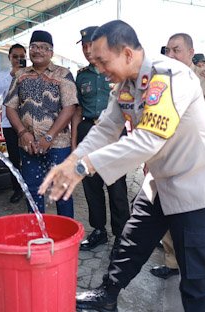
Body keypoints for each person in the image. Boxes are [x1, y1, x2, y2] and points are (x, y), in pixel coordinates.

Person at [38, 20, 205, 312]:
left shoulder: (167, 76)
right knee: (131, 241)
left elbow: (148, 140)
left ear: (127, 54)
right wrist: (72, 161)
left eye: (102, 61)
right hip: (162, 179)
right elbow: (105, 129)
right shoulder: (126, 84)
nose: (100, 69)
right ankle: (108, 295)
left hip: (195, 183)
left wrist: (83, 168)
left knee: (196, 277)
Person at [148, 33, 205, 281]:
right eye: (168, 51)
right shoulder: (160, 81)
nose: (171, 56)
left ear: (191, 52)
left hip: (198, 162)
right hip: (168, 159)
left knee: (196, 222)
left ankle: (196, 270)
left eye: (177, 50)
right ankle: (172, 262)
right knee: (168, 211)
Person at [4, 30, 77, 218]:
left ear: (51, 53)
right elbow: (10, 108)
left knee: (61, 192)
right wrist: (22, 132)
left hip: (58, 144)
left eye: (44, 48)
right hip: (28, 145)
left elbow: (69, 109)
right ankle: (36, 233)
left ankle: (66, 237)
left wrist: (48, 137)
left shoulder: (63, 74)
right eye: (34, 47)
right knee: (32, 190)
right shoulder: (20, 75)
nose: (38, 51)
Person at [71, 26, 130, 251]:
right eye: (84, 46)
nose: (87, 50)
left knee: (116, 187)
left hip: (113, 132)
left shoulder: (117, 70)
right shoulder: (82, 75)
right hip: (88, 130)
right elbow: (77, 111)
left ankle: (121, 235)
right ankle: (98, 231)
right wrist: (75, 143)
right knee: (91, 185)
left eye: (91, 45)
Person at [0, 43, 27, 203]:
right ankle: (17, 189)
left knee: (30, 157)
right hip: (9, 124)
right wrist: (13, 74)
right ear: (9, 58)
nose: (19, 60)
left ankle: (32, 188)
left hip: (29, 124)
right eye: (15, 57)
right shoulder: (4, 75)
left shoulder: (31, 74)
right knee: (14, 159)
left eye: (22, 57)